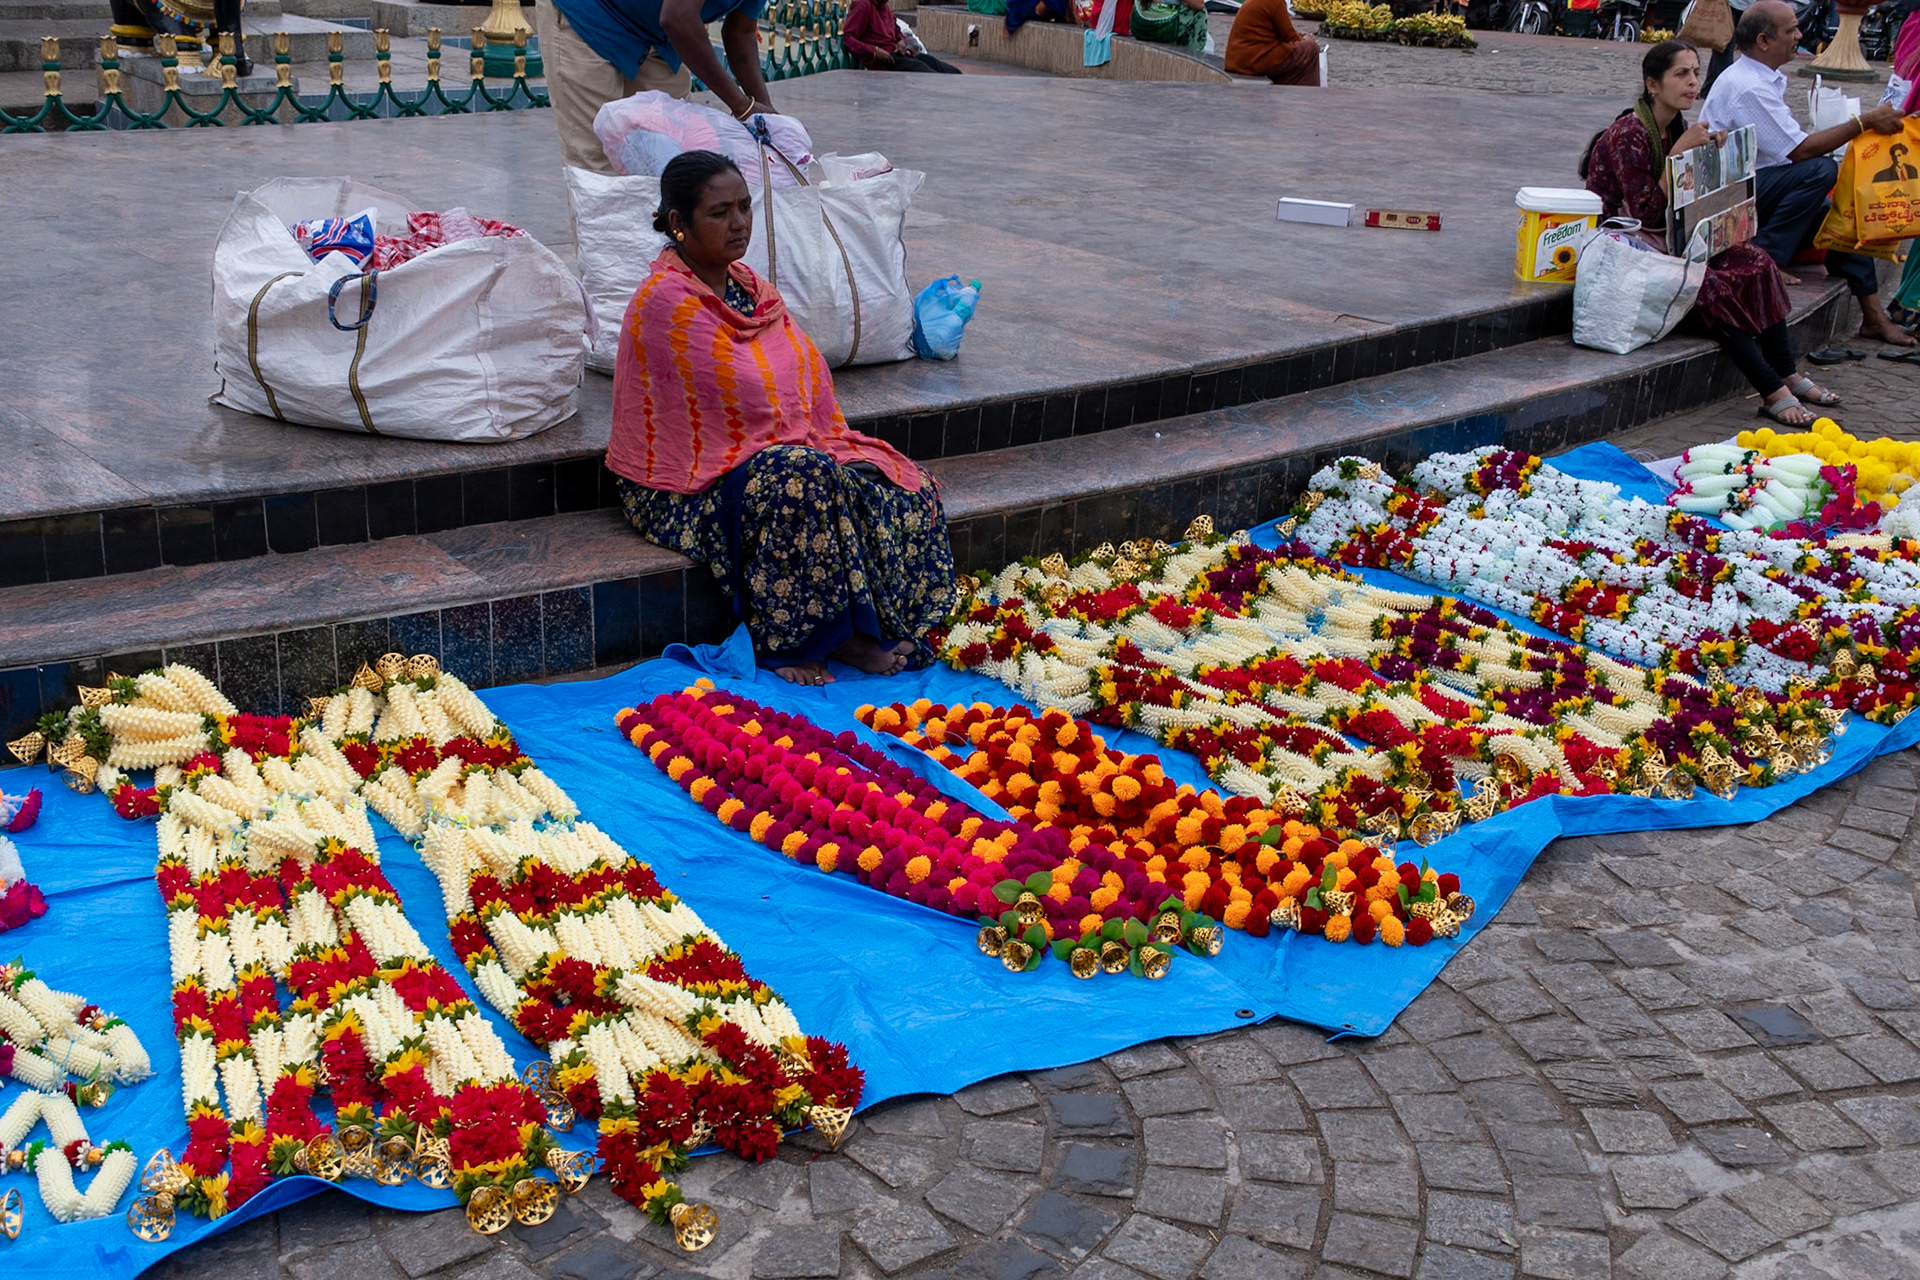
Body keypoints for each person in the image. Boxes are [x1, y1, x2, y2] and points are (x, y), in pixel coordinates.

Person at [608, 152, 956, 686]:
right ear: (678, 224)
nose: (739, 223)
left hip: (770, 454)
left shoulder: (750, 289)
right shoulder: (665, 303)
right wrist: (793, 445)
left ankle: (882, 623)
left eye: (745, 207)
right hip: (683, 484)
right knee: (803, 477)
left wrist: (807, 442)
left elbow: (796, 374)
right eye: (720, 212)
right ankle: (800, 641)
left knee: (901, 484)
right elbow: (734, 401)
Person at [1583, 41, 1842, 424]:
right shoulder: (1630, 133)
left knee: (1758, 260)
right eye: (1681, 74)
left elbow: (1688, 203)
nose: (1692, 82)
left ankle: (1786, 370)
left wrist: (1711, 160)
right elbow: (1646, 211)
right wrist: (1679, 157)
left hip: (1668, 235)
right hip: (1626, 241)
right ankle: (1771, 389)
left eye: (1695, 72)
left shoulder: (1676, 125)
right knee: (1711, 286)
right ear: (1653, 84)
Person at [1701, 1, 1918, 347]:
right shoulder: (1749, 86)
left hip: (1762, 189)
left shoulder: (1762, 77)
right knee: (1820, 170)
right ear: (1764, 41)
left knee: (1848, 216)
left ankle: (1873, 317)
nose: (1800, 35)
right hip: (1736, 198)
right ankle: (1768, 256)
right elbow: (1800, 151)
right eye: (1791, 31)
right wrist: (1863, 123)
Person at [535, 0, 778, 174]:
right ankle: (607, 247)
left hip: (657, 32)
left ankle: (659, 247)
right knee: (598, 167)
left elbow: (741, 28)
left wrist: (767, 116)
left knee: (676, 158)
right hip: (589, 16)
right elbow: (677, 18)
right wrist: (742, 106)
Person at [844, 0, 964, 71]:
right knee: (927, 73)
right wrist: (874, 51)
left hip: (902, 55)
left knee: (947, 69)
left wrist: (901, 40)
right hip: (887, 61)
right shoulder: (863, 6)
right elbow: (848, 39)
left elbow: (896, 29)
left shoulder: (884, 7)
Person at [1225, 0, 1320, 83]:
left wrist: (1300, 36)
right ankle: (1309, 93)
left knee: (1301, 47)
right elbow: (1290, 36)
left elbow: (1276, 31)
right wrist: (1307, 39)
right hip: (1254, 61)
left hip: (1238, 60)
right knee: (1311, 47)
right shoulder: (1275, 2)